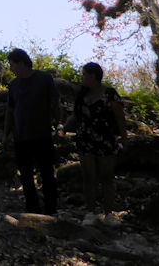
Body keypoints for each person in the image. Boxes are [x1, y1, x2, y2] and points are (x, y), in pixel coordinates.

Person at [64, 61, 126, 225]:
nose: (83, 78)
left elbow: (120, 116)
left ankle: (109, 213)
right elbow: (76, 116)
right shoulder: (82, 95)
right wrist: (63, 127)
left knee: (107, 176)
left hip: (106, 139)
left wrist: (123, 137)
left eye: (85, 75)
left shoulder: (110, 94)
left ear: (93, 76)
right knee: (88, 176)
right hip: (86, 140)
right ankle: (91, 212)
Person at [3, 47, 61, 215]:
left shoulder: (44, 79)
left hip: (42, 134)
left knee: (47, 173)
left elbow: (55, 103)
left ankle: (51, 208)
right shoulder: (13, 85)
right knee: (26, 175)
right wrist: (6, 134)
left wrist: (60, 125)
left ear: (21, 63)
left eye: (12, 65)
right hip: (21, 136)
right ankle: (32, 208)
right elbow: (10, 110)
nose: (11, 69)